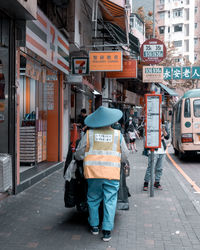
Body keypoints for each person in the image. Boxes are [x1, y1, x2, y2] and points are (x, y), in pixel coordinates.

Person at [74, 106, 129, 242]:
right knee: (110, 201)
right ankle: (107, 231)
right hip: (112, 174)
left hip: (93, 174)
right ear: (111, 121)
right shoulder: (118, 135)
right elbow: (125, 155)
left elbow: (79, 154)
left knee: (93, 199)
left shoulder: (89, 135)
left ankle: (94, 227)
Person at [143, 116, 170, 191]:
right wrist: (158, 138)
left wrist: (163, 130)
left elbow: (167, 137)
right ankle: (146, 183)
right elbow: (148, 136)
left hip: (162, 150)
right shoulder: (151, 125)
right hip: (153, 150)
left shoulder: (163, 126)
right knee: (150, 167)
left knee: (159, 168)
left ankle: (157, 182)